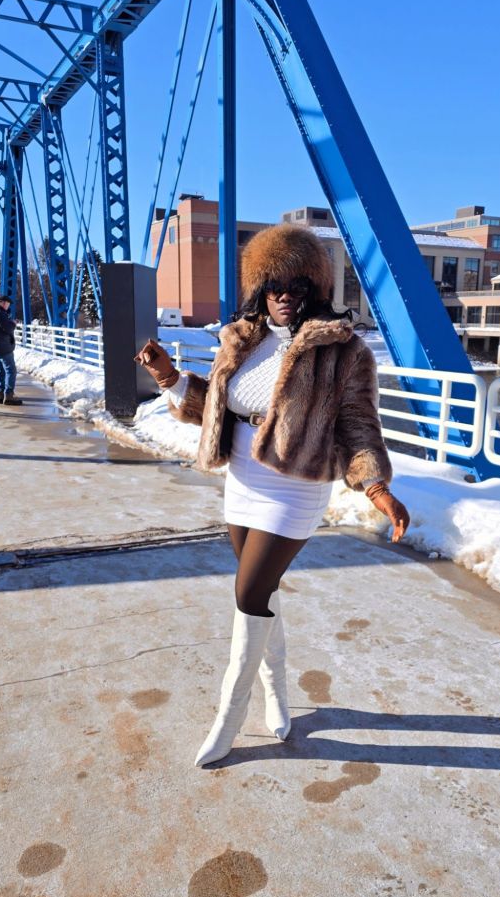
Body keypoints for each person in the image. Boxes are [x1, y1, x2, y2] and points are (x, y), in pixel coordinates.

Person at [135, 223, 410, 767]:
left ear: (314, 289)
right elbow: (219, 406)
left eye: (295, 286)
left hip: (295, 486)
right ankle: (277, 694)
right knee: (263, 593)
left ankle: (228, 717)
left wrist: (375, 484)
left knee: (248, 592)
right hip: (243, 480)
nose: (284, 296)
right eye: (273, 286)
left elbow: (358, 424)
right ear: (260, 289)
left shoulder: (344, 351)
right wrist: (169, 376)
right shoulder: (243, 339)